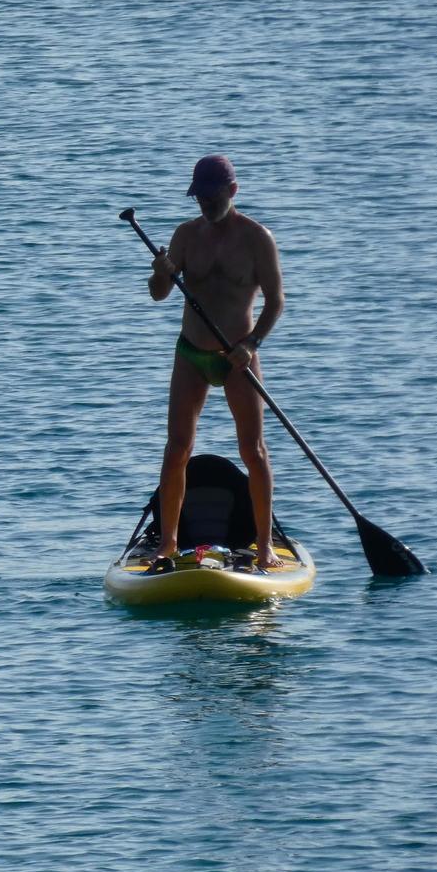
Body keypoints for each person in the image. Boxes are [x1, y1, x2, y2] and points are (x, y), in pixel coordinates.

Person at [148, 154, 286, 569]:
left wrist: (251, 343)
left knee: (254, 451)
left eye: (211, 197)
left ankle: (264, 548)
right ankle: (167, 545)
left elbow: (276, 302)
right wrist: (161, 272)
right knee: (177, 449)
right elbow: (158, 294)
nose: (204, 205)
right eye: (199, 198)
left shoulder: (257, 239)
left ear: (232, 191)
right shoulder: (185, 236)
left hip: (238, 356)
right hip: (191, 353)